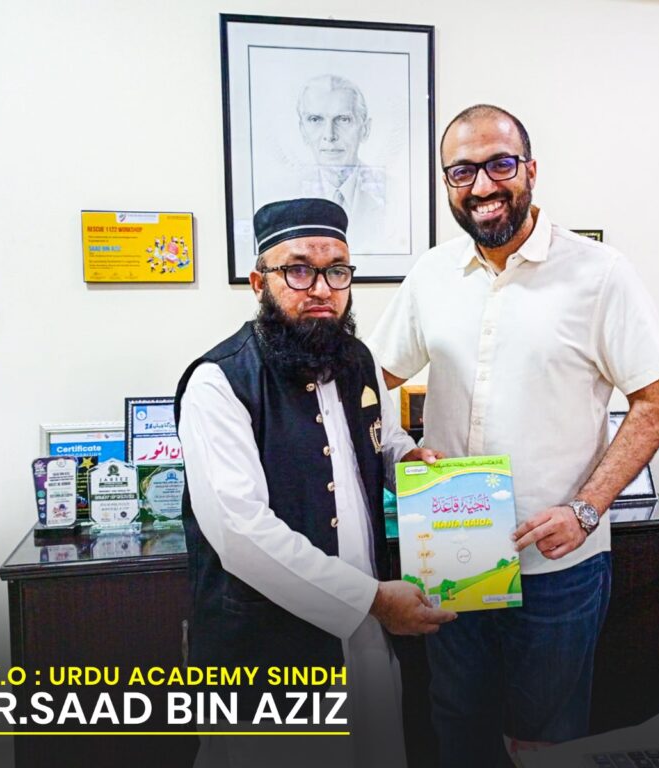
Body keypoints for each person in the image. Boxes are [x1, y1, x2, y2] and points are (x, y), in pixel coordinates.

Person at [367, 105, 659, 766]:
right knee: (457, 727)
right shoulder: (431, 275)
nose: (482, 185)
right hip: (453, 557)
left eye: (500, 165)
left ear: (531, 171)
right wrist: (398, 453)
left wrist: (587, 508)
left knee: (547, 741)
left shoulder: (600, 273)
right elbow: (369, 382)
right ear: (447, 184)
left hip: (556, 568)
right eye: (462, 171)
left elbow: (657, 401)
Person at [175, 198, 455, 767]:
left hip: (367, 638)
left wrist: (412, 462)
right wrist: (373, 599)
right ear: (260, 282)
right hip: (265, 653)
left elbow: (383, 439)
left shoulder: (358, 359)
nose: (322, 288)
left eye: (337, 271)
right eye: (299, 270)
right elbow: (240, 532)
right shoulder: (218, 382)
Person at [295, 75, 386, 253]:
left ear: (365, 129)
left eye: (343, 119)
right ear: (303, 130)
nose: (329, 135)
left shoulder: (396, 192)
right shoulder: (282, 193)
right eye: (315, 119)